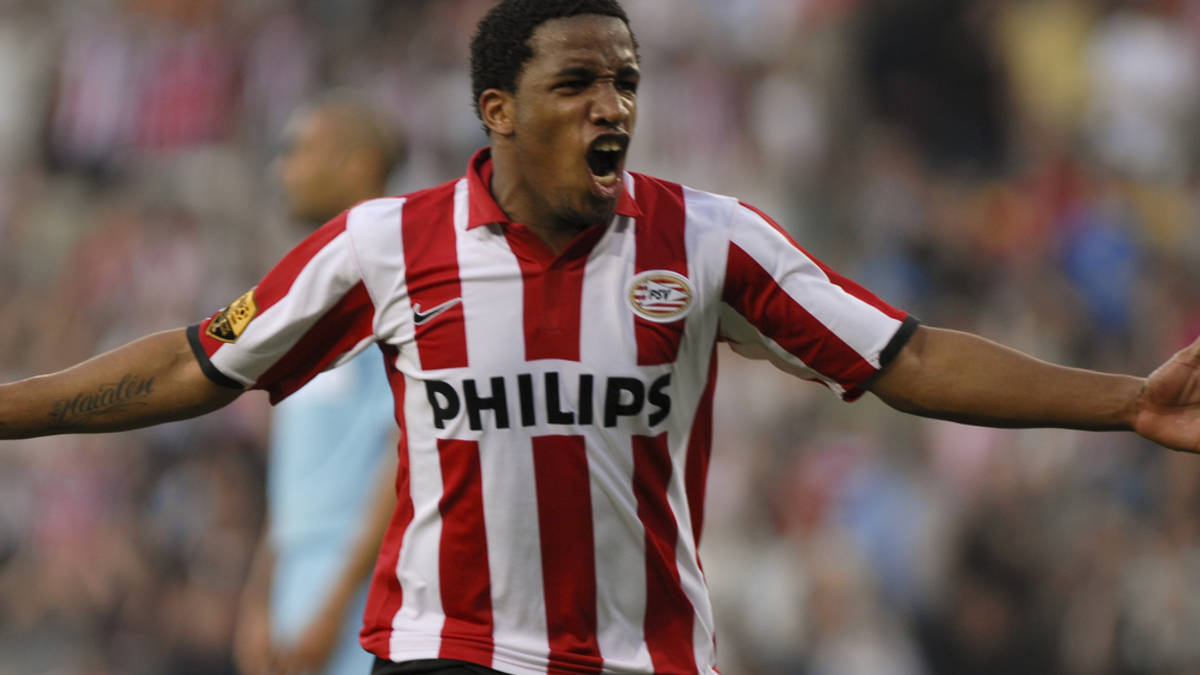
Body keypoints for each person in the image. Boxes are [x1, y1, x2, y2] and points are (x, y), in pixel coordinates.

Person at [1, 1, 1198, 674]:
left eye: (624, 80)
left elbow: (906, 356)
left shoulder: (709, 240)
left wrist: (1127, 402)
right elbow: (196, 361)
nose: (611, 105)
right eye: (577, 83)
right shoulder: (384, 246)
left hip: (644, 660)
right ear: (498, 109)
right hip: (449, 654)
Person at [232, 97, 404, 675]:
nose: (281, 169)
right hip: (296, 602)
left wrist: (336, 605)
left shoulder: (387, 289)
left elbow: (404, 457)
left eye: (298, 151)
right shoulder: (304, 296)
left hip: (365, 605)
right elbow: (296, 476)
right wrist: (259, 600)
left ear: (357, 164)